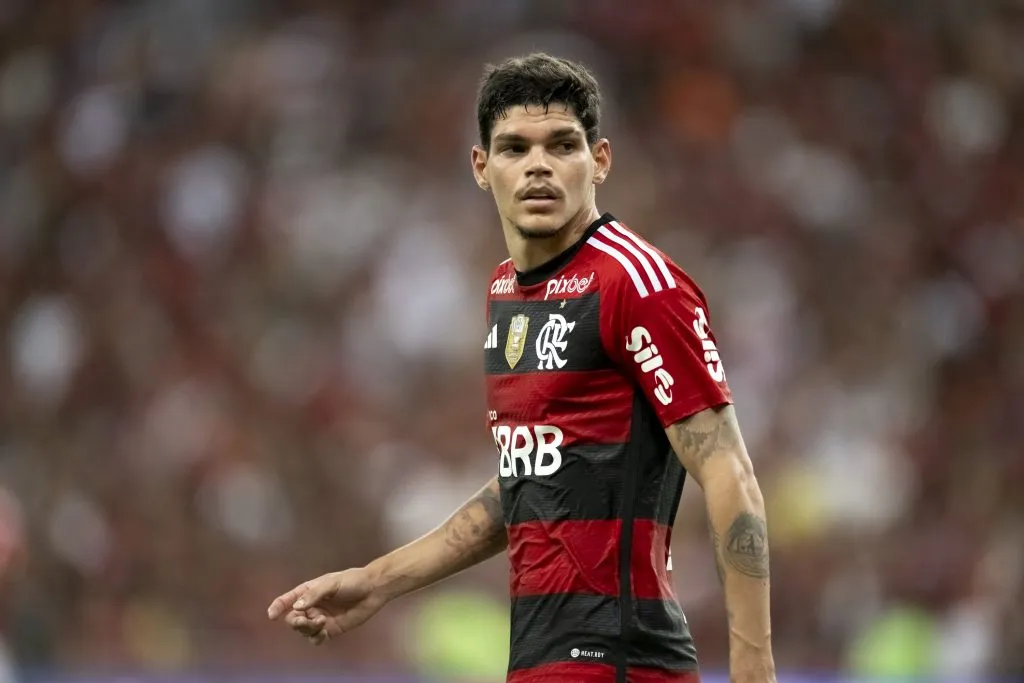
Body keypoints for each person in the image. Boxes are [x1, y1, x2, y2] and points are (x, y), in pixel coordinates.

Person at [268, 53, 776, 683]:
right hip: (541, 658)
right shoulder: (506, 291)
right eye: (514, 147)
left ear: (601, 161)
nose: (538, 165)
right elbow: (530, 484)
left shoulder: (637, 285)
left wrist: (754, 668)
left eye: (563, 144)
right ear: (482, 168)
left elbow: (729, 470)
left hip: (617, 660)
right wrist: (377, 583)